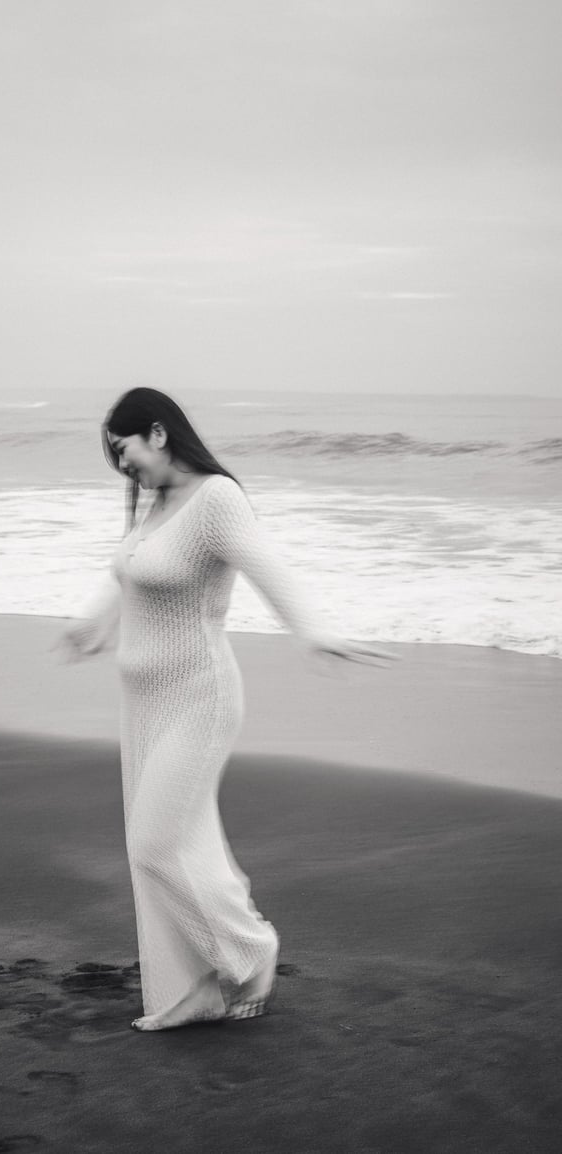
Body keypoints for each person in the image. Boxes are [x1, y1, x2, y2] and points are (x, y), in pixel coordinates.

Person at [56, 387, 392, 1032]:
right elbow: (130, 572)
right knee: (186, 846)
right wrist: (91, 623)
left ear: (158, 433)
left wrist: (312, 630)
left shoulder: (215, 498)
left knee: (153, 845)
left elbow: (269, 566)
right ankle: (197, 989)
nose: (121, 464)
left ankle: (250, 950)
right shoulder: (156, 502)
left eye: (123, 448)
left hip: (198, 699)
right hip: (142, 704)